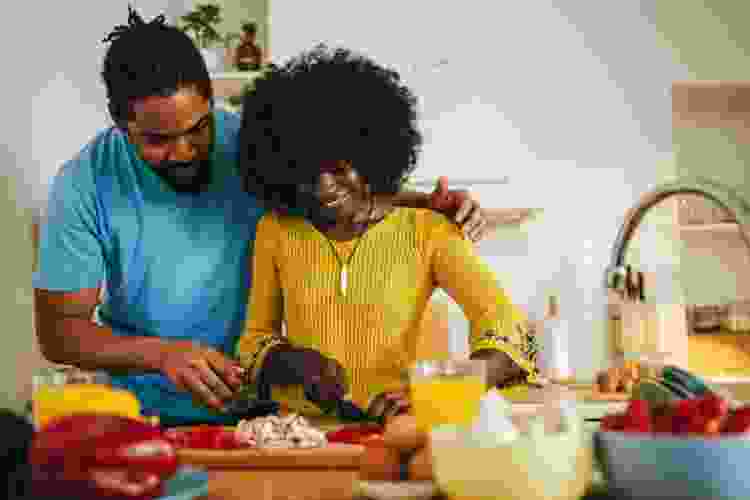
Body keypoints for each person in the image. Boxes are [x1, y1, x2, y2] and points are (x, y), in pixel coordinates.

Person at [32, 7, 488, 427]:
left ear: (211, 99)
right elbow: (59, 332)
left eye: (198, 127)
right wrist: (162, 355)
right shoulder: (84, 183)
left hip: (267, 414)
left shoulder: (254, 145)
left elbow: (333, 191)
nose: (184, 150)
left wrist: (424, 203)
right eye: (158, 140)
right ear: (118, 121)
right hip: (144, 416)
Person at [235, 45, 539, 420]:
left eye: (337, 167)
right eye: (304, 172)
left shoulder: (428, 229)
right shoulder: (277, 229)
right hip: (300, 436)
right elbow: (252, 344)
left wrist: (446, 388)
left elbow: (510, 330)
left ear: (369, 152)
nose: (323, 186)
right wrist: (292, 361)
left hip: (396, 430)